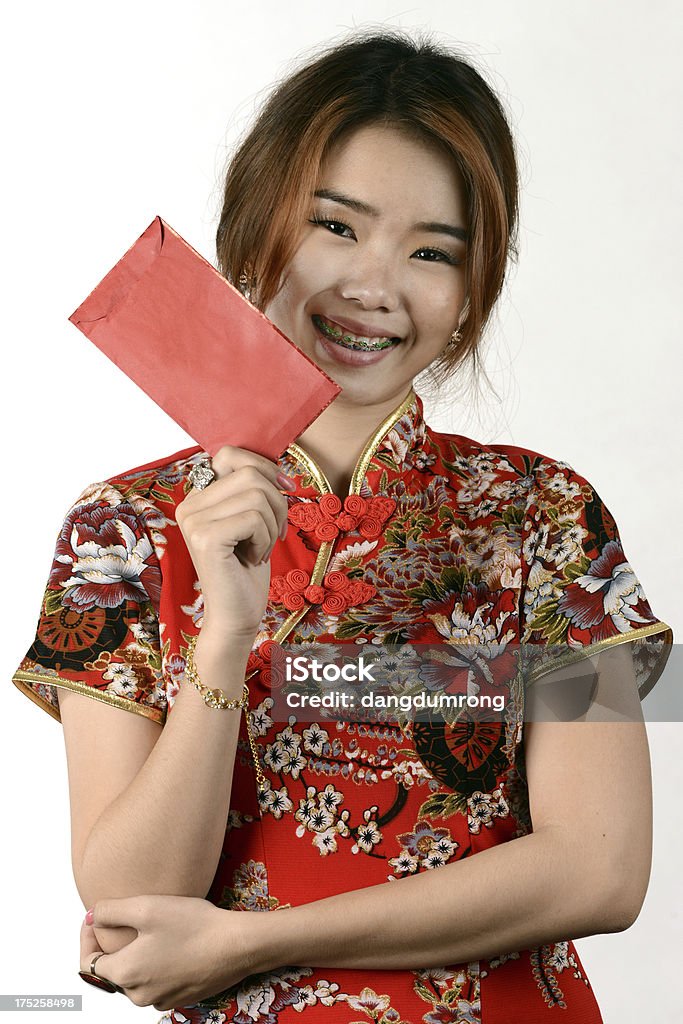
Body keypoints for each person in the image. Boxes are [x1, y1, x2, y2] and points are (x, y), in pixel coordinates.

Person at [12, 30, 673, 1024]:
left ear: (469, 290)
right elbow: (131, 897)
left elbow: (599, 867)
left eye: (429, 251)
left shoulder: (540, 515)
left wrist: (253, 940)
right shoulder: (126, 529)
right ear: (251, 232)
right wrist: (224, 640)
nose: (373, 284)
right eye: (334, 226)